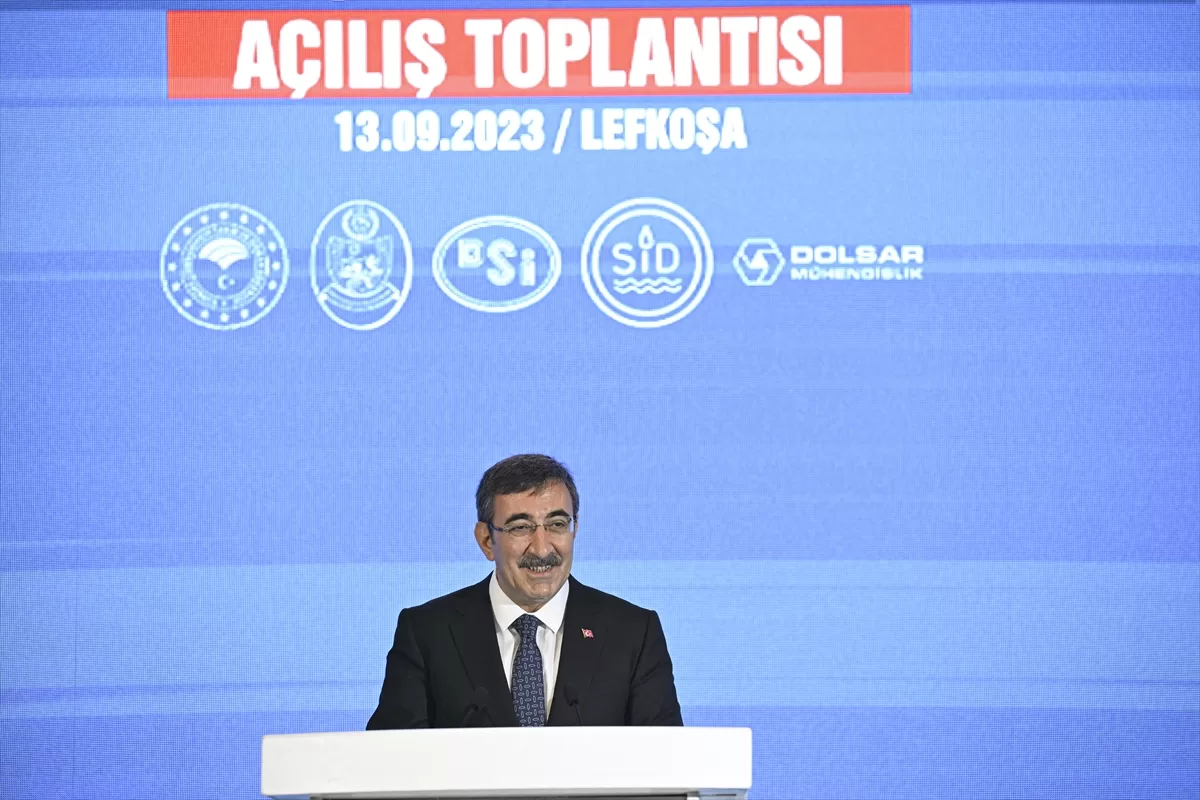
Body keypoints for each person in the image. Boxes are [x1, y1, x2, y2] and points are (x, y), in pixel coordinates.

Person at [367, 454, 683, 728]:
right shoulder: (427, 632)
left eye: (557, 524)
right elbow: (388, 760)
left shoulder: (633, 633)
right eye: (520, 527)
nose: (542, 548)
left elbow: (666, 762)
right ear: (486, 540)